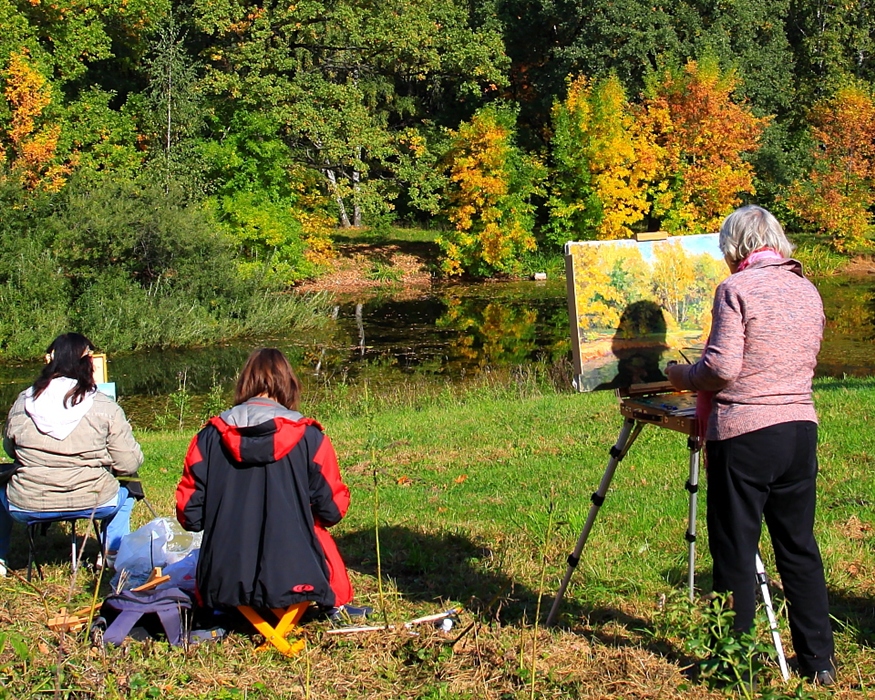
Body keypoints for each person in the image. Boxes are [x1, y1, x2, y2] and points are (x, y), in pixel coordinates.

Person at [666, 206, 836, 685]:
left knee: (736, 550)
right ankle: (819, 662)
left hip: (745, 432)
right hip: (800, 428)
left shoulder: (736, 289)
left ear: (735, 247)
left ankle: (732, 662)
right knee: (799, 547)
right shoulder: (806, 288)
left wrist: (682, 375)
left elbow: (721, 369)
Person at [175, 348, 364, 617]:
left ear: (244, 384)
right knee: (317, 531)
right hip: (297, 573)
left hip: (223, 580)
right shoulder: (310, 438)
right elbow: (333, 510)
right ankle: (330, 606)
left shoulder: (208, 438)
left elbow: (189, 515)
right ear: (289, 384)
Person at [0, 333, 143, 576]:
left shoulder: (23, 401)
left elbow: (9, 448)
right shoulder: (103, 405)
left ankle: (1, 560)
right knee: (131, 487)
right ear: (88, 364)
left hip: (26, 502)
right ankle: (112, 552)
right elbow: (128, 464)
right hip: (96, 500)